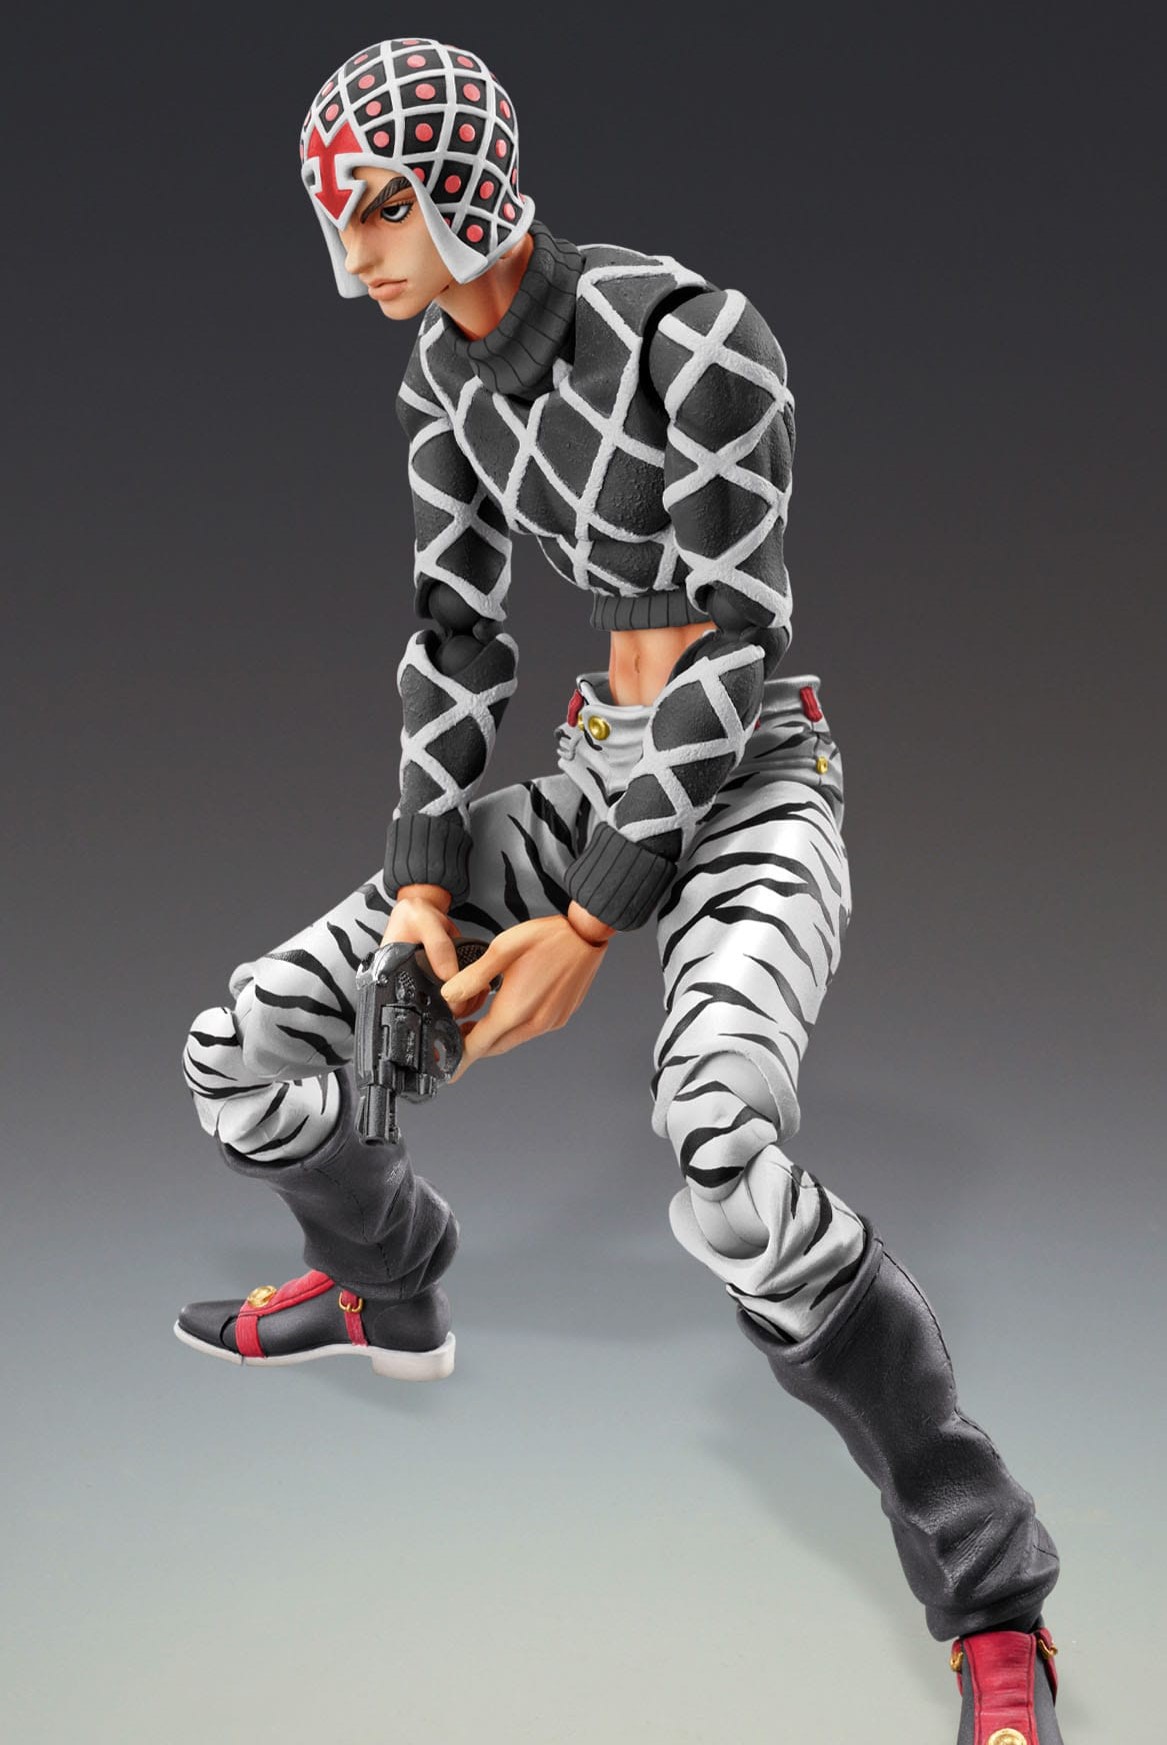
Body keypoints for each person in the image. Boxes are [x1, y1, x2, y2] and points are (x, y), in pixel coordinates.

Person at [175, 37, 1065, 1742]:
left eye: (382, 208)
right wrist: (424, 889)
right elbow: (456, 638)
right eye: (335, 215)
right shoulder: (443, 375)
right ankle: (386, 1282)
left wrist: (589, 918)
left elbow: (736, 642)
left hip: (752, 784)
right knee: (247, 1045)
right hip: (596, 767)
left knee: (725, 1156)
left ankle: (993, 1595)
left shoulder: (690, 334)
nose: (355, 253)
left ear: (465, 189)